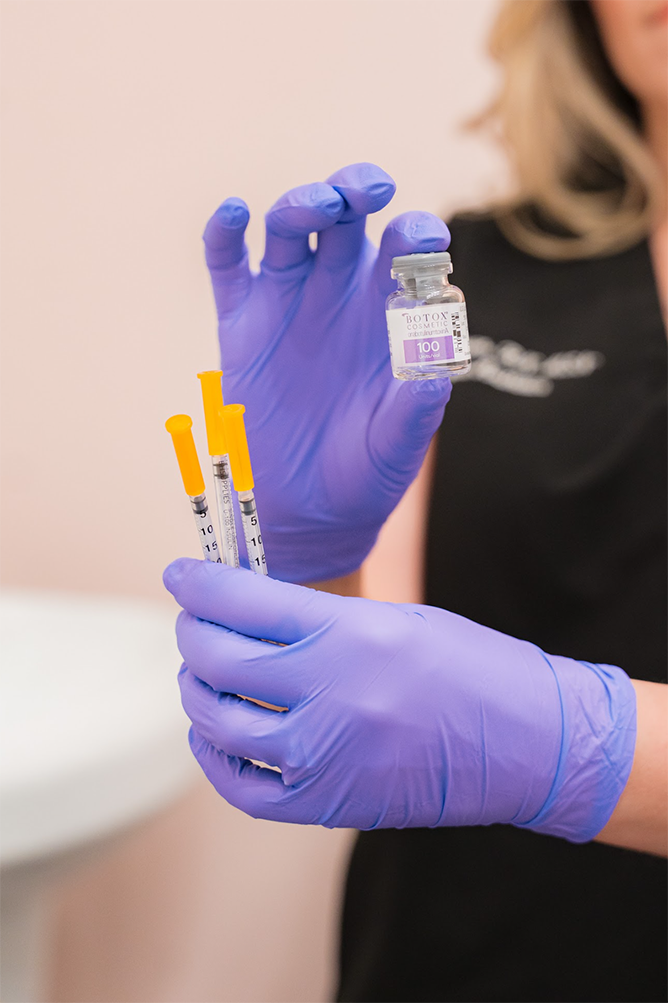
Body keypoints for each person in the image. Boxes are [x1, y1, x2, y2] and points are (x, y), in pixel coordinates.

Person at [164, 0, 668, 999]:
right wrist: (309, 557)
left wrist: (573, 742)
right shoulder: (468, 275)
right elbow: (371, 685)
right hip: (451, 955)